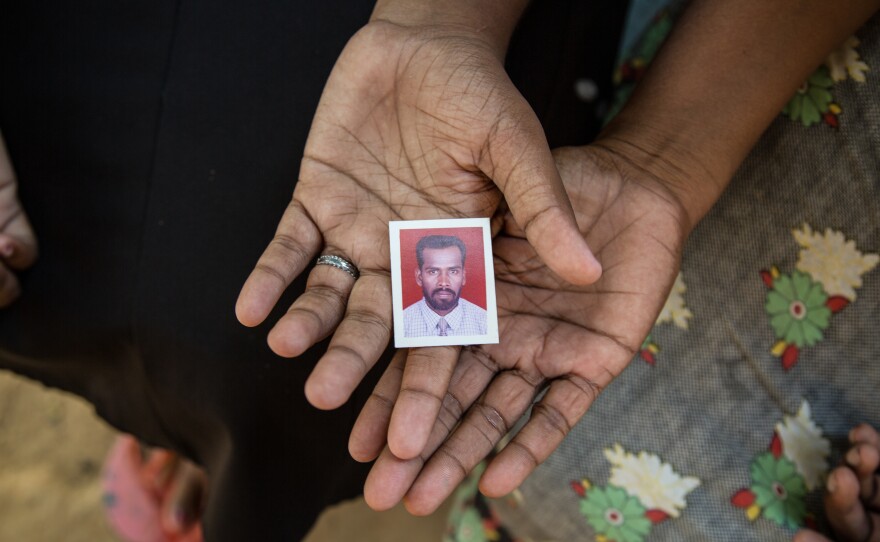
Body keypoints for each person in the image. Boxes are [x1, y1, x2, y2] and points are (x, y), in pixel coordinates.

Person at [402, 235, 487, 338]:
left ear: (463, 276)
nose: (443, 282)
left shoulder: (485, 322)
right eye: (433, 271)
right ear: (419, 277)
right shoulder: (402, 324)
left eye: (453, 271)